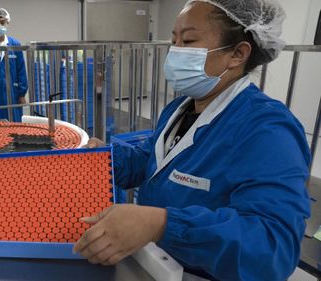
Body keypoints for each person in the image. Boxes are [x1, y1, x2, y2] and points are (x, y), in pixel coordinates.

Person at [73, 0, 311, 280]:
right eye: (174, 40)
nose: (175, 52)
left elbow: (273, 246)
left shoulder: (267, 130)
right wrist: (103, 158)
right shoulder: (180, 109)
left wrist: (161, 224)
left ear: (237, 53)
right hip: (155, 261)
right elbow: (152, 161)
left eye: (188, 40)